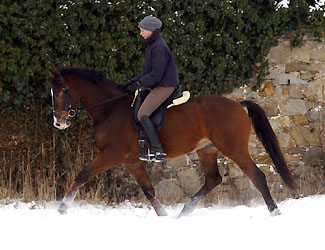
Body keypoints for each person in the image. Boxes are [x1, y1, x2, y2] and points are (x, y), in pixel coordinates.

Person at [125, 16, 179, 162]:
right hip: (159, 83)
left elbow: (156, 75)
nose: (141, 33)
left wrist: (140, 82)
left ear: (152, 30)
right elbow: (150, 72)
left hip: (165, 85)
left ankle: (157, 150)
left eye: (143, 30)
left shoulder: (159, 47)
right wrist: (135, 80)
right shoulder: (152, 45)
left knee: (142, 113)